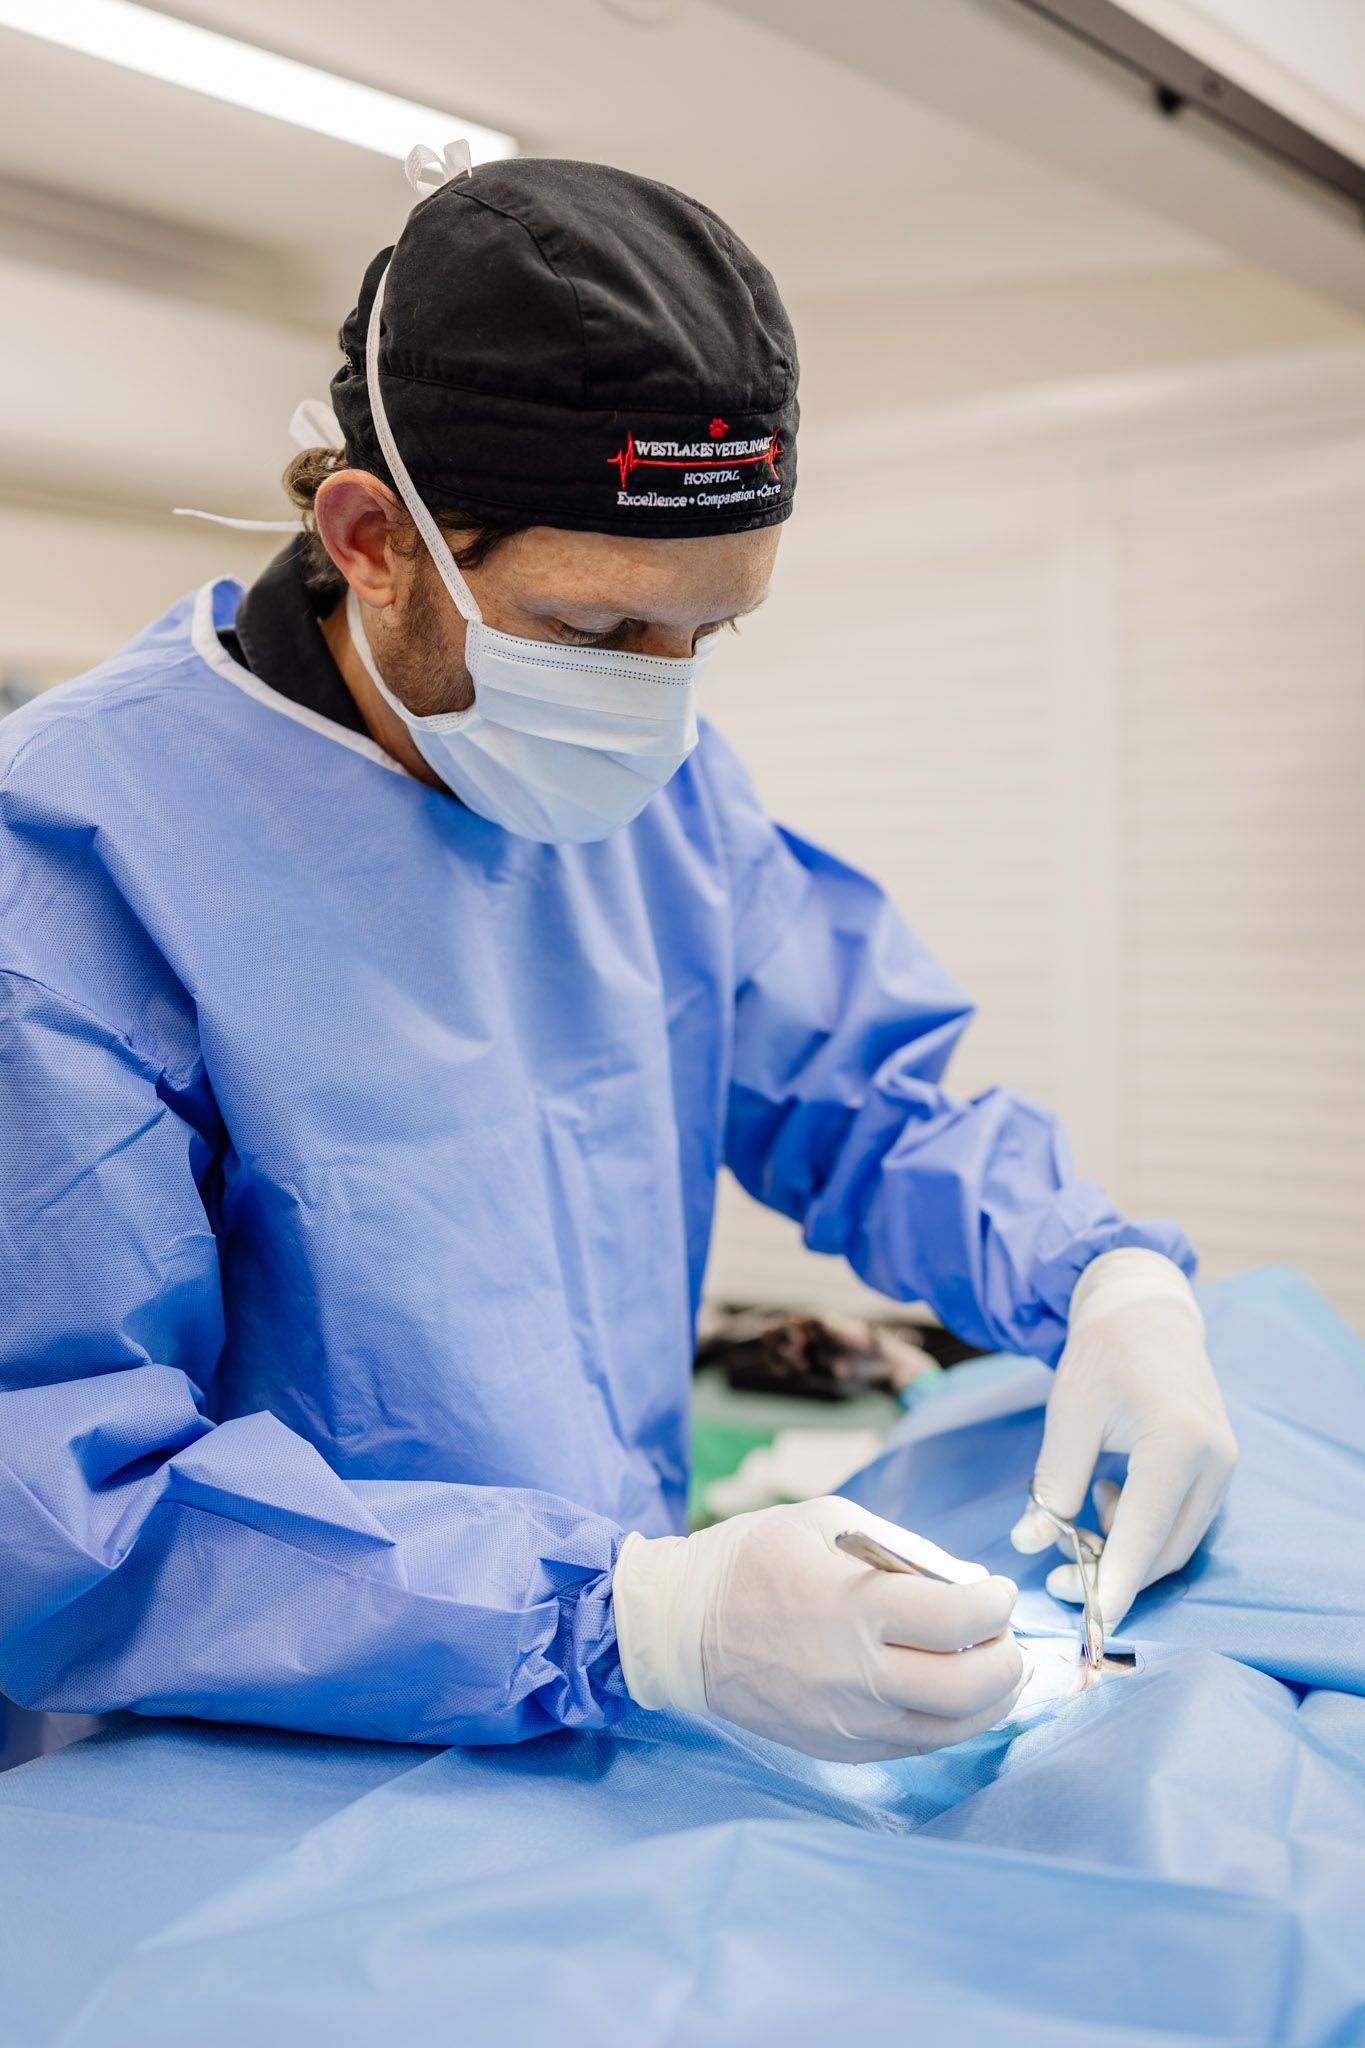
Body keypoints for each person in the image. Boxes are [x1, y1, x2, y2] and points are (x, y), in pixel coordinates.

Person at [0, 149, 1236, 1765]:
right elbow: (61, 1498)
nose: (654, 698)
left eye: (704, 635)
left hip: (615, 1714)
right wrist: (630, 1615)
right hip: (258, 1775)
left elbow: (866, 1104)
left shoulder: (654, 802)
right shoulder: (79, 869)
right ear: (372, 538)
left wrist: (1102, 1278)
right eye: (596, 635)